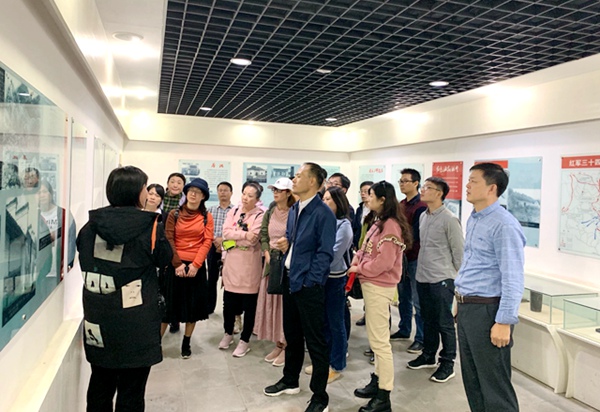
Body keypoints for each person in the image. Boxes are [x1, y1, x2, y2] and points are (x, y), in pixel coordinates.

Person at [76, 166, 173, 412]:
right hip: (137, 319)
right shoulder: (150, 226)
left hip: (99, 317)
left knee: (100, 383)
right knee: (132, 390)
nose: (147, 193)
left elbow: (84, 258)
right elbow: (164, 258)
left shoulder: (90, 226)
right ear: (137, 191)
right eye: (145, 187)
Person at [263, 162, 336, 412]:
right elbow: (297, 241)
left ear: (313, 181)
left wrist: (310, 280)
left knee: (315, 341)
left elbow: (325, 254)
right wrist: (287, 245)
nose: (294, 179)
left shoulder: (323, 213)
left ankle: (320, 397)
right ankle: (290, 380)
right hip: (290, 279)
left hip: (308, 285)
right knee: (292, 335)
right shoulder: (296, 208)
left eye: (299, 176)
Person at [455, 163, 525, 412]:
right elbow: (472, 265)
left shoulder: (504, 225)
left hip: (488, 311)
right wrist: (458, 300)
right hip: (468, 308)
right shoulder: (475, 218)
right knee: (473, 380)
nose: (467, 185)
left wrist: (504, 321)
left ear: (491, 188)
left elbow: (513, 277)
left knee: (494, 385)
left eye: (473, 181)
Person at [349, 181, 413, 412]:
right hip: (371, 284)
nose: (367, 198)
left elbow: (384, 263)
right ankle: (377, 381)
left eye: (371, 194)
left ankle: (384, 395)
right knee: (376, 340)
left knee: (380, 343)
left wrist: (359, 268)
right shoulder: (379, 222)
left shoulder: (391, 226)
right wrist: (358, 260)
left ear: (382, 199)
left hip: (379, 286)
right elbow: (365, 248)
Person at [407, 177, 464, 384]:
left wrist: (457, 281)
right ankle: (428, 355)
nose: (423, 190)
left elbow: (459, 253)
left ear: (439, 193)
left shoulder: (450, 219)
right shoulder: (424, 216)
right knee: (427, 318)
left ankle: (447, 363)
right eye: (423, 186)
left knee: (444, 322)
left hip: (442, 279)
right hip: (423, 276)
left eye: (428, 188)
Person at [162, 178, 214, 359]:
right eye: (190, 190)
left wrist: (196, 264)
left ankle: (186, 342)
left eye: (197, 192)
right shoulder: (174, 214)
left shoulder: (206, 217)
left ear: (203, 196)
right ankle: (156, 343)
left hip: (195, 267)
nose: (193, 194)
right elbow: (169, 238)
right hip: (175, 264)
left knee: (192, 309)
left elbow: (207, 241)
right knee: (168, 308)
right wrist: (177, 263)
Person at [305, 185, 353, 383]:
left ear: (338, 203)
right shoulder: (323, 220)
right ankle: (323, 362)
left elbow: (333, 255)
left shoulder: (344, 226)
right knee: (323, 322)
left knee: (335, 323)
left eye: (328, 200)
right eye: (323, 199)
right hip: (320, 277)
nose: (324, 203)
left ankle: (337, 364)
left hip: (334, 278)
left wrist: (313, 262)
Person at [219, 182, 264, 357]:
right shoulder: (234, 211)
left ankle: (245, 340)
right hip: (232, 264)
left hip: (250, 266)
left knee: (249, 306)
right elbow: (226, 233)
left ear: (257, 199)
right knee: (229, 303)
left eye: (250, 196)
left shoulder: (260, 215)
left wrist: (236, 238)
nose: (245, 198)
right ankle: (228, 333)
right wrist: (244, 235)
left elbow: (254, 240)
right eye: (244, 193)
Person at [254, 177, 294, 367]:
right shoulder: (271, 210)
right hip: (271, 263)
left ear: (288, 193)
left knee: (286, 306)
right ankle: (278, 343)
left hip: (286, 263)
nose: (275, 193)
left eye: (279, 190)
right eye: (274, 190)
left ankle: (288, 345)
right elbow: (263, 234)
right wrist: (266, 252)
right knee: (272, 304)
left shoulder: (294, 212)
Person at [392, 168, 427, 354]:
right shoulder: (402, 204)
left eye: (406, 181)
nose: (402, 184)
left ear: (416, 183)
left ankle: (420, 338)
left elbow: (415, 234)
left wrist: (402, 245)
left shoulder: (420, 206)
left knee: (417, 300)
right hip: (401, 257)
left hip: (414, 258)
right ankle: (404, 328)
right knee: (403, 296)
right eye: (400, 181)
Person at [162, 172, 187, 333]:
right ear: (168, 183)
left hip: (177, 246)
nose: (175, 185)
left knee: (175, 286)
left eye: (179, 182)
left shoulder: (186, 203)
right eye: (172, 181)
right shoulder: (160, 198)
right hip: (160, 243)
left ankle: (175, 319)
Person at [39, 179, 76, 276]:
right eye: (39, 193)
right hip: (42, 273)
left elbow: (71, 241)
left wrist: (68, 265)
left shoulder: (64, 215)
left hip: (60, 272)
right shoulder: (34, 216)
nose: (42, 195)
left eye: (45, 191)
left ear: (51, 194)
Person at [207, 181, 234, 314]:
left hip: (230, 246)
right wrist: (215, 240)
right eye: (220, 190)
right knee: (211, 279)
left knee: (229, 279)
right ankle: (209, 308)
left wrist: (223, 241)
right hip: (212, 246)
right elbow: (206, 229)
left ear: (231, 193)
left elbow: (236, 230)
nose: (223, 193)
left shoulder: (236, 211)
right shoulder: (210, 210)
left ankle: (229, 308)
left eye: (225, 190)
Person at [352, 181, 373, 327]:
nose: (363, 194)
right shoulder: (360, 209)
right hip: (360, 250)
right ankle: (367, 314)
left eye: (367, 191)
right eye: (362, 191)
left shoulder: (377, 212)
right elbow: (356, 228)